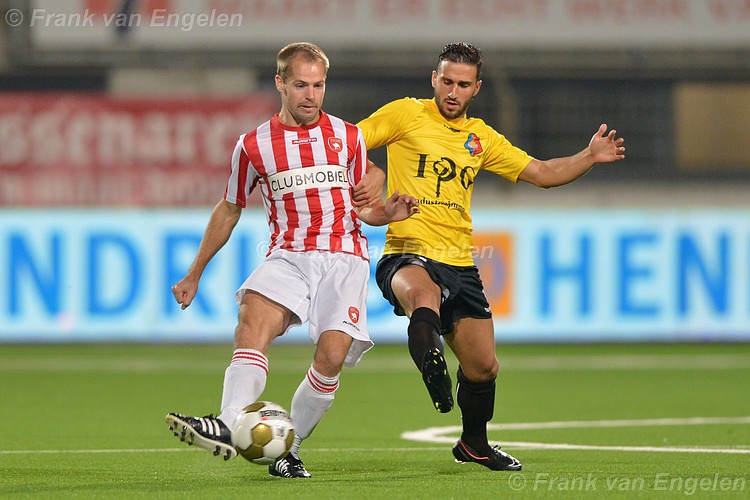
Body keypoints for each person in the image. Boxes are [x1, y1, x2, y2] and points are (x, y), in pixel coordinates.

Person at [355, 42, 625, 471]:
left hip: (459, 263)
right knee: (424, 297)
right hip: (407, 251)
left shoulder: (482, 138)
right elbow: (346, 141)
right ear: (434, 79)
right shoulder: (405, 113)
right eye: (447, 81)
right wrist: (373, 172)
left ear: (477, 87)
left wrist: (589, 155)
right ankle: (431, 367)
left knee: (483, 367)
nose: (453, 92)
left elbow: (542, 173)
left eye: (463, 84)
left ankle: (473, 445)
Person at [165, 42, 418, 479]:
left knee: (331, 357)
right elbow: (229, 208)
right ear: (280, 83)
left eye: (318, 86)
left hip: (344, 257)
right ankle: (227, 423)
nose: (310, 95)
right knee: (252, 320)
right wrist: (195, 272)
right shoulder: (253, 145)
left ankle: (288, 448)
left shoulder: (349, 136)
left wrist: (388, 213)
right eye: (301, 85)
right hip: (288, 255)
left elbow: (364, 208)